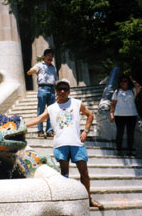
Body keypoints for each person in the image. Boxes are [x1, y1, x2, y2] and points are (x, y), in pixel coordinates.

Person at [25, 79, 103, 208]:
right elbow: (39, 119)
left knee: (84, 172)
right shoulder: (51, 108)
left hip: (76, 144)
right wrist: (22, 124)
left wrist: (86, 131)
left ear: (69, 91)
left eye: (65, 89)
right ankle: (67, 200)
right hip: (61, 144)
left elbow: (90, 115)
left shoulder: (77, 103)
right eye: (59, 89)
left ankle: (88, 199)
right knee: (64, 174)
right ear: (55, 91)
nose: (62, 91)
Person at [27, 49, 58, 138]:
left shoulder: (53, 68)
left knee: (51, 111)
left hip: (52, 89)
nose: (50, 57)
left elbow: (55, 80)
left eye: (51, 56)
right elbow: (28, 72)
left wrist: (57, 91)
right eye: (48, 55)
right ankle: (40, 131)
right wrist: (34, 70)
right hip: (42, 89)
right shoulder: (39, 65)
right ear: (44, 57)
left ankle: (49, 130)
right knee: (41, 110)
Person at [110, 75, 142, 156]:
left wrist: (132, 79)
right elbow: (112, 104)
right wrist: (111, 114)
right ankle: (118, 150)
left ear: (128, 82)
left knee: (130, 133)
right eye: (121, 81)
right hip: (119, 115)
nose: (123, 83)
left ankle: (130, 151)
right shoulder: (117, 91)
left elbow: (139, 87)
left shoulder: (132, 91)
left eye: (125, 81)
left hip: (131, 115)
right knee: (119, 133)